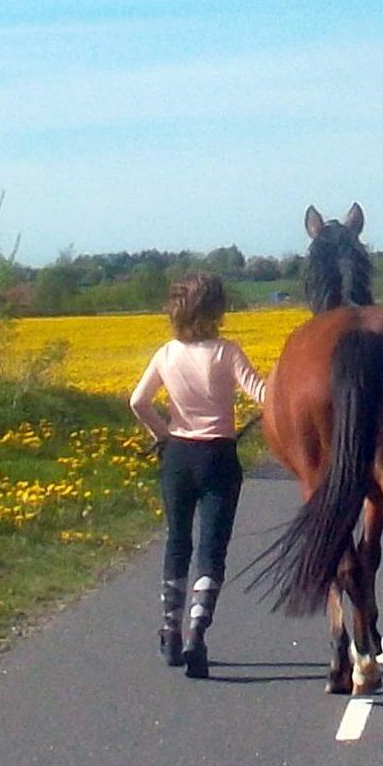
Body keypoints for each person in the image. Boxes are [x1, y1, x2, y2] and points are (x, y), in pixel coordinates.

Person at [129, 272, 266, 678]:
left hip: (177, 456)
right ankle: (196, 634)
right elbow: (261, 394)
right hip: (218, 456)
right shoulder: (225, 352)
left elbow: (139, 401)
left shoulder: (166, 354)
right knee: (212, 549)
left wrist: (163, 435)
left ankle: (169, 629)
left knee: (177, 541)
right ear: (217, 309)